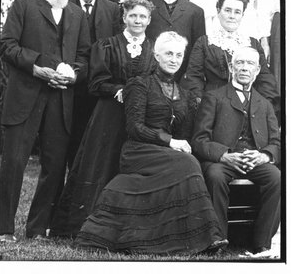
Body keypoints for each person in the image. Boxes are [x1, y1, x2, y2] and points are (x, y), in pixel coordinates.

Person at [74, 31, 228, 255]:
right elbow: (134, 128)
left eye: (178, 54)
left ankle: (202, 237)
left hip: (169, 154)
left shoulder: (184, 95)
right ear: (156, 55)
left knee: (188, 160)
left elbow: (184, 136)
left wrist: (179, 144)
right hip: (139, 150)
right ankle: (209, 236)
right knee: (188, 163)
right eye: (168, 53)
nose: (173, 59)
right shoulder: (139, 84)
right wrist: (169, 141)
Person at [50, 0, 157, 237]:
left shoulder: (154, 49)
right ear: (124, 17)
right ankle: (87, 225)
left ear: (149, 20)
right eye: (133, 16)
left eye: (143, 16)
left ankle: (126, 227)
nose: (138, 21)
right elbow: (95, 83)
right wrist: (120, 89)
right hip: (108, 116)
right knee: (100, 166)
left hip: (139, 118)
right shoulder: (106, 45)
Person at [0, 0, 91, 242]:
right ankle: (2, 228)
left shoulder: (76, 14)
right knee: (13, 163)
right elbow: (6, 45)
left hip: (61, 100)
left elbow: (84, 56)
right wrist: (35, 67)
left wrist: (74, 74)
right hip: (25, 96)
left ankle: (38, 229)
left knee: (53, 167)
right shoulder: (23, 6)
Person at [191, 46, 281, 257]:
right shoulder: (213, 97)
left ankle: (261, 243)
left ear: (257, 70)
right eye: (239, 63)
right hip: (223, 161)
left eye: (250, 64)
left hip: (254, 162)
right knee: (214, 175)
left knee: (277, 178)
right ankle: (217, 239)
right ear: (231, 67)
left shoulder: (265, 104)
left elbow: (276, 142)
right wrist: (224, 155)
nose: (244, 68)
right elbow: (199, 140)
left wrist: (264, 155)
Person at [185, 0, 280, 117]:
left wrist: (264, 107)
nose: (232, 16)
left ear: (242, 15)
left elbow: (265, 79)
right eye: (227, 10)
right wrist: (203, 105)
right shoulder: (204, 42)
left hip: (248, 106)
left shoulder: (252, 44)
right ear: (218, 11)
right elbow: (194, 78)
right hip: (214, 106)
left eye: (237, 12)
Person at [67, 0, 121, 169]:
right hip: (68, 88)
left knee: (90, 149)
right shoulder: (63, 3)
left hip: (97, 91)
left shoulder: (113, 10)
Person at [147, 0, 205, 84]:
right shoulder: (144, 7)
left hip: (182, 84)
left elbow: (197, 54)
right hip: (148, 82)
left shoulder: (196, 12)